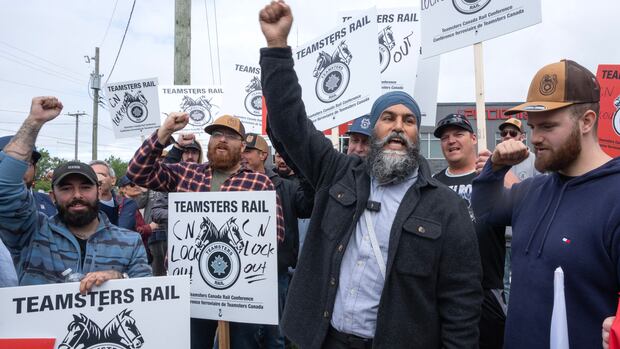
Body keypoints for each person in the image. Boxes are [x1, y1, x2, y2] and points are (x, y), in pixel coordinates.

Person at [258, 3, 483, 348]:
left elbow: (462, 303)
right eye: (388, 118)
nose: (398, 127)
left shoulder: (447, 208)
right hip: (322, 339)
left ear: (416, 132)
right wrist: (277, 49)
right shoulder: (336, 173)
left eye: (408, 121)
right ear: (373, 128)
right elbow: (290, 121)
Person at [471, 59, 620, 348]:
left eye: (548, 126)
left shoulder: (615, 196)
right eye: (532, 126)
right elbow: (486, 210)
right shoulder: (533, 189)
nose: (535, 138)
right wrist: (496, 166)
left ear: (587, 121)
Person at [127, 113, 285, 349]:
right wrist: (165, 132)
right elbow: (137, 173)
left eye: (231, 136)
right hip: (191, 289)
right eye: (217, 134)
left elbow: (276, 235)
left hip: (241, 292)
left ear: (242, 146)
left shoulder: (259, 183)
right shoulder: (186, 173)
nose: (222, 139)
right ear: (209, 141)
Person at [0, 96, 151, 292]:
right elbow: (4, 188)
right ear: (52, 195)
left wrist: (120, 278)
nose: (77, 195)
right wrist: (34, 122)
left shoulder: (129, 241)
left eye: (85, 187)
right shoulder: (31, 233)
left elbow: (148, 293)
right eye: (66, 188)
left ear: (99, 191)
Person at [432, 113, 506, 349]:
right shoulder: (433, 183)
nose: (451, 140)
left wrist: (500, 172)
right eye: (445, 137)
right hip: (441, 291)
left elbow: (524, 205)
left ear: (473, 138)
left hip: (486, 290)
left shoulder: (490, 177)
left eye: (458, 134)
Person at [242, 133, 314, 348]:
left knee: (275, 334)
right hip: (242, 273)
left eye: (248, 150)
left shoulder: (286, 186)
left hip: (275, 272)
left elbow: (306, 207)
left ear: (263, 155)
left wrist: (303, 172)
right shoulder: (233, 183)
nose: (242, 155)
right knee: (245, 333)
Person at [0, 135, 57, 217]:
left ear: (35, 169)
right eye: (7, 164)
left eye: (25, 163)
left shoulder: (49, 204)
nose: (17, 171)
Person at [90, 160, 138, 231]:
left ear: (113, 180)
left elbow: (121, 231)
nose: (97, 179)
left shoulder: (126, 203)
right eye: (92, 175)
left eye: (101, 175)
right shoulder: (83, 204)